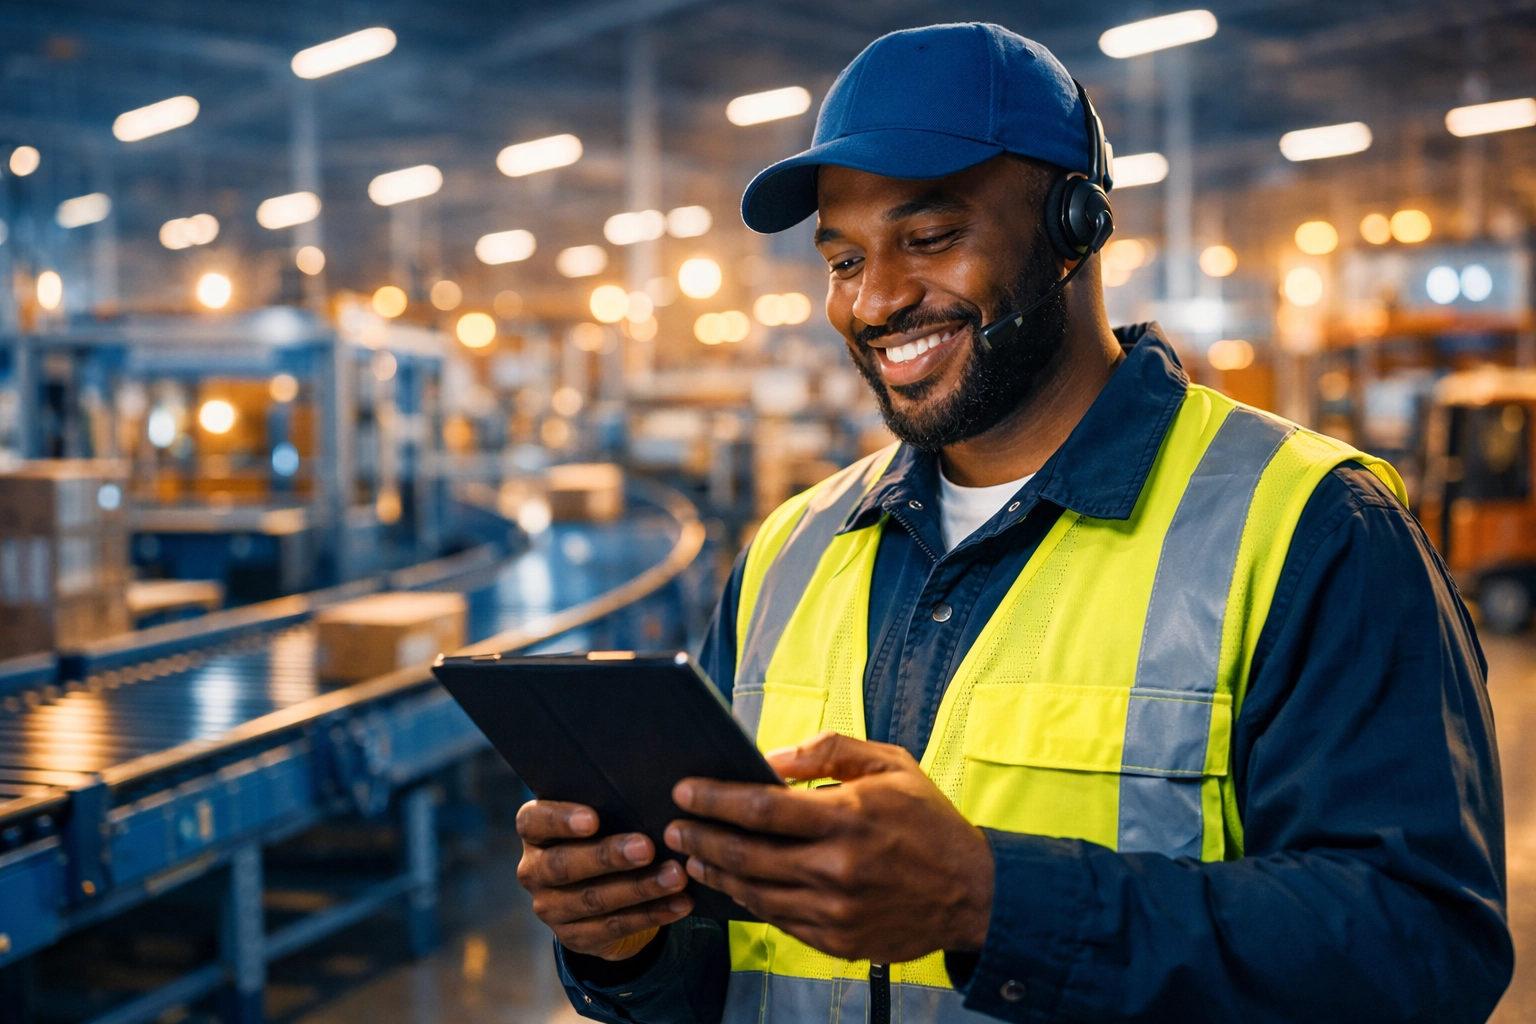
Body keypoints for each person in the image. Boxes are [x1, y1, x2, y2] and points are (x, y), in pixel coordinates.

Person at [516, 22, 1512, 1024]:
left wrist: (991, 901)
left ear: (1075, 225)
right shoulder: (790, 550)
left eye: (931, 239)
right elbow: (724, 975)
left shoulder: (1310, 528)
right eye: (843, 258)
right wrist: (626, 940)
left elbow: (1423, 950)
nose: (876, 300)